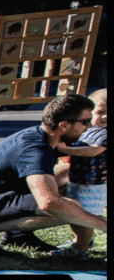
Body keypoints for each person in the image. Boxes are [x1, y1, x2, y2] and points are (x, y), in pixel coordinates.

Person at [0, 93, 107, 256]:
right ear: (63, 125)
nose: (89, 127)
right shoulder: (36, 150)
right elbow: (48, 202)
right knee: (70, 207)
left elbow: (63, 174)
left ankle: (18, 235)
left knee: (67, 188)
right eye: (85, 122)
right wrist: (103, 225)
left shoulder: (46, 137)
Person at [50, 88, 106, 258]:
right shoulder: (87, 130)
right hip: (78, 180)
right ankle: (82, 241)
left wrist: (65, 149)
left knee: (86, 217)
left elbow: (93, 151)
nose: (106, 117)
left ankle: (80, 250)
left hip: (94, 185)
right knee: (75, 215)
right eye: (100, 112)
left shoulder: (105, 134)